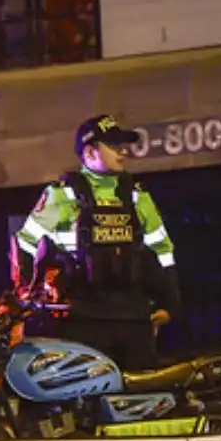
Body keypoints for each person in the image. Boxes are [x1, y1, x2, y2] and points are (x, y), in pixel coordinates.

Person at [13, 115, 179, 371]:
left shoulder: (136, 196)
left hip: (133, 317)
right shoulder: (62, 195)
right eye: (114, 145)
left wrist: (170, 303)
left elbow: (163, 250)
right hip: (83, 319)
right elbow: (25, 243)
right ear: (90, 152)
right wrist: (24, 292)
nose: (123, 152)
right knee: (86, 398)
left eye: (124, 146)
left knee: (142, 397)